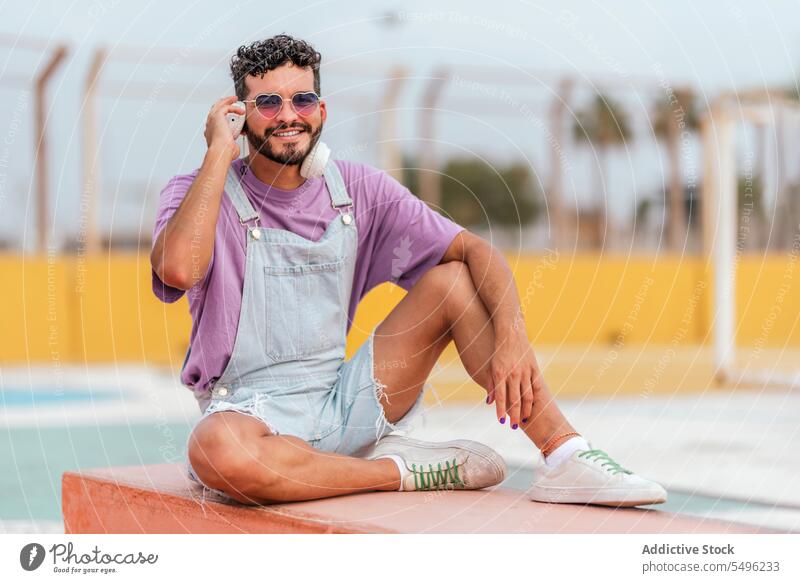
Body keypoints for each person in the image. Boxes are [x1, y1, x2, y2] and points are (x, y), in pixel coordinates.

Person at [150, 34, 666, 507]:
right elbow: (177, 269)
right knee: (216, 453)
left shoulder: (357, 191)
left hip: (344, 400)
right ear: (239, 114)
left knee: (452, 281)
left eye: (301, 100)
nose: (289, 115)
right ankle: (398, 470)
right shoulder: (196, 193)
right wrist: (220, 151)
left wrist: (513, 340)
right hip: (248, 413)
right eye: (268, 103)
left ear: (321, 109)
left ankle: (565, 455)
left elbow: (478, 252)